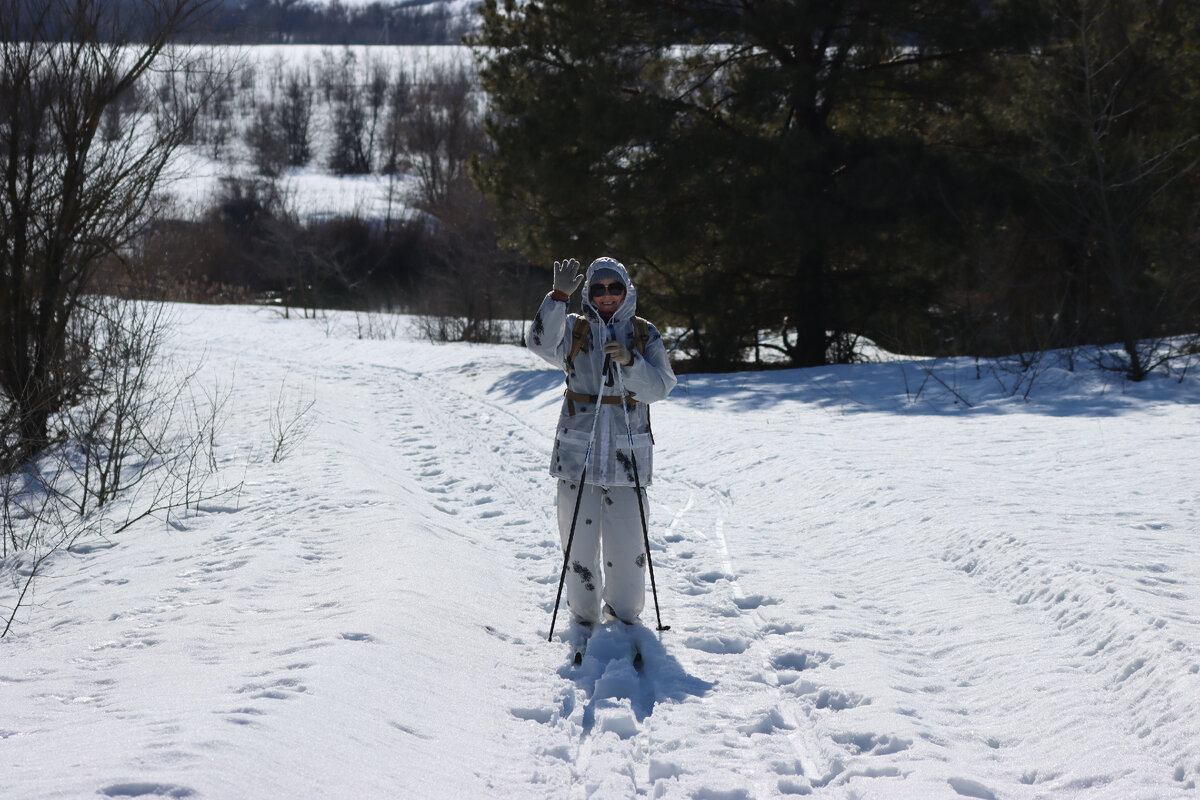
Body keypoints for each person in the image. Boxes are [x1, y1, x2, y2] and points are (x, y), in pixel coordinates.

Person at [527, 257, 677, 627]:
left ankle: (625, 613)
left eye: (615, 288)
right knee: (578, 541)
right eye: (598, 288)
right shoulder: (574, 329)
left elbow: (661, 388)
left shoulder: (644, 332)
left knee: (628, 545)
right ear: (589, 293)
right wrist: (558, 297)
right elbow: (539, 344)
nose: (607, 295)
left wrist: (631, 362)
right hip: (578, 452)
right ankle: (584, 615)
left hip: (627, 454)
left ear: (627, 290)